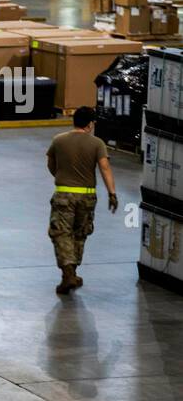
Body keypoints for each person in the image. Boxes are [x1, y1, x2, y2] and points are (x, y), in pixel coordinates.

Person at [47, 106, 118, 294]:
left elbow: (51, 163)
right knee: (80, 234)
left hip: (63, 195)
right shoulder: (97, 144)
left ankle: (68, 273)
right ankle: (71, 273)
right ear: (90, 124)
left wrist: (60, 175)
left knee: (61, 233)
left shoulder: (58, 140)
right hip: (87, 196)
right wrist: (112, 193)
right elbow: (105, 168)